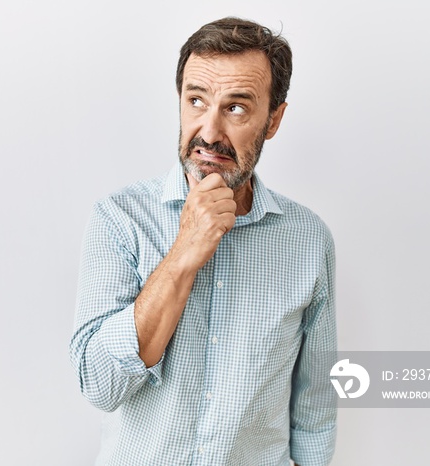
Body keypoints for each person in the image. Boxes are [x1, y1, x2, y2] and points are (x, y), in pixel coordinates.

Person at [70, 17, 337, 466]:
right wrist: (183, 255)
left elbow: (314, 410)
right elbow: (99, 384)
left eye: (236, 108)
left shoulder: (309, 240)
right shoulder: (119, 219)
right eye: (197, 101)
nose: (210, 132)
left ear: (273, 120)